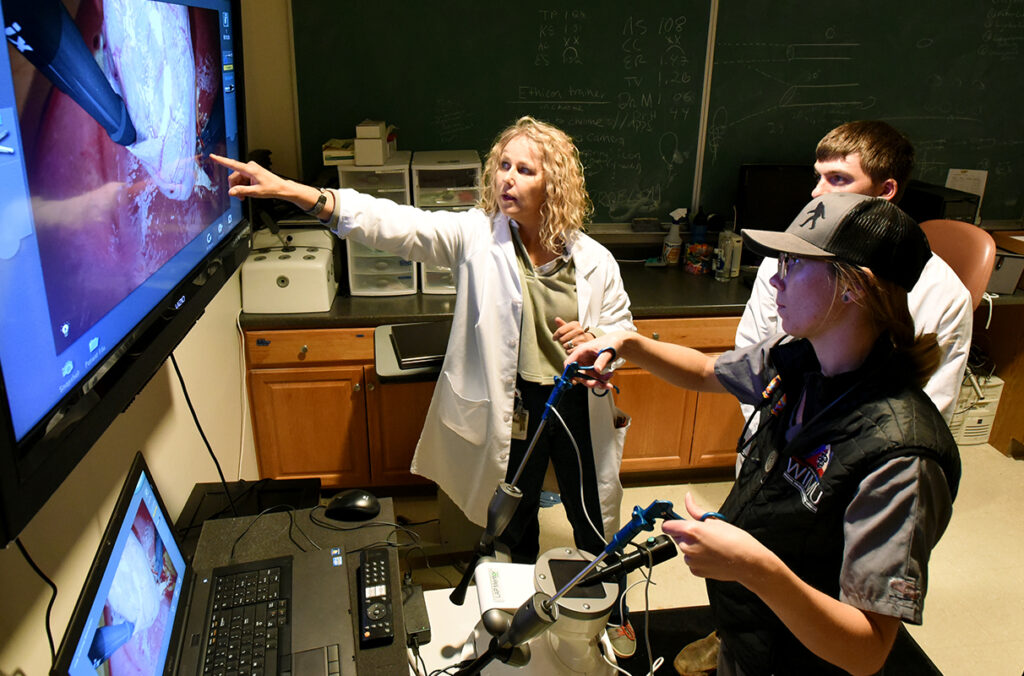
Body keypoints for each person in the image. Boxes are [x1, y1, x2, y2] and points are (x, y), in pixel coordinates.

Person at [211, 115, 637, 636]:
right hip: (518, 408)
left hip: (575, 402)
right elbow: (396, 223)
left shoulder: (594, 260)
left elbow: (620, 329)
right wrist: (301, 194)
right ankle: (524, 619)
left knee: (592, 515)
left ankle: (607, 615)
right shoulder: (476, 236)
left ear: (554, 183)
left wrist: (601, 351)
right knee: (513, 519)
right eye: (502, 165)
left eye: (524, 170)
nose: (507, 178)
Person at [567, 192, 961, 674]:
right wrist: (627, 342)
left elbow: (867, 649)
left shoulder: (902, 456)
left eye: (795, 263)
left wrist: (754, 568)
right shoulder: (799, 359)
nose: (775, 278)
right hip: (753, 631)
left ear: (854, 287)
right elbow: (707, 369)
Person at [737, 121, 972, 425]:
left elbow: (929, 412)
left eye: (837, 179)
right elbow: (751, 355)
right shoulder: (783, 260)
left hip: (866, 454)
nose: (816, 192)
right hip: (779, 438)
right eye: (818, 176)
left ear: (885, 190)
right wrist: (768, 445)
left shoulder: (941, 293)